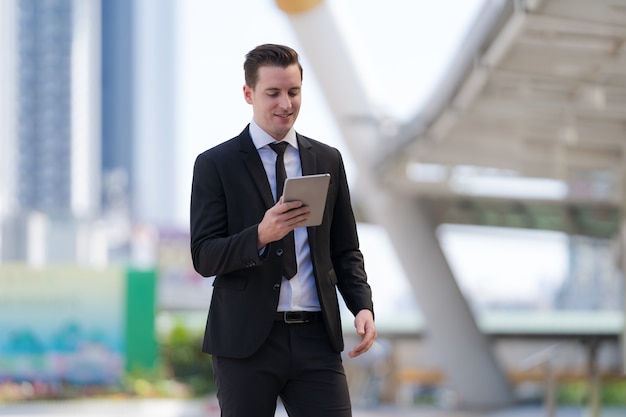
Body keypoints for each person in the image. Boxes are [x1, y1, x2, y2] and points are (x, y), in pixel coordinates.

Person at [190, 43, 376, 417]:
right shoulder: (215, 164)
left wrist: (361, 304)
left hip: (316, 338)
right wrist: (260, 234)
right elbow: (204, 256)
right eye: (273, 93)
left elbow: (344, 248)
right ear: (249, 94)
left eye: (293, 92)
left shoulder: (326, 159)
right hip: (245, 344)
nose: (285, 104)